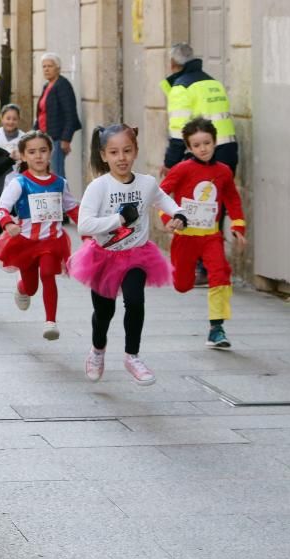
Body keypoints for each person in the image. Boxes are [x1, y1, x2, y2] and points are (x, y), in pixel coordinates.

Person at [67, 124, 182, 386]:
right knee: (104, 312)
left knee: (135, 301)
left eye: (127, 151)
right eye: (114, 152)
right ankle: (97, 350)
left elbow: (163, 199)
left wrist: (179, 213)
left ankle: (132, 356)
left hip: (136, 255)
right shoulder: (98, 187)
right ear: (104, 155)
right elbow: (84, 225)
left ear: (136, 151)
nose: (122, 158)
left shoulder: (146, 183)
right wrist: (118, 219)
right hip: (103, 257)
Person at [160, 117, 246, 348]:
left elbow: (232, 199)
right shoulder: (182, 169)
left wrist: (238, 227)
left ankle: (216, 328)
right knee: (182, 285)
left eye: (207, 143)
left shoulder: (224, 171)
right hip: (186, 237)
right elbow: (160, 195)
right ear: (189, 147)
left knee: (220, 275)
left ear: (215, 142)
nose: (203, 149)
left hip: (211, 236)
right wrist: (169, 219)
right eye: (197, 145)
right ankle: (177, 273)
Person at [0, 131, 79, 340]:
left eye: (43, 151)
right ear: (23, 156)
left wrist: (89, 225)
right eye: (32, 152)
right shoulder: (19, 183)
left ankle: (51, 322)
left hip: (52, 240)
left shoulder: (60, 183)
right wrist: (8, 223)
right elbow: (2, 208)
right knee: (31, 288)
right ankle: (22, 288)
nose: (38, 156)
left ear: (50, 153)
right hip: (27, 241)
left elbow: (72, 207)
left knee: (48, 273)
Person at [160, 43, 238, 175]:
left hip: (202, 158)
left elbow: (178, 133)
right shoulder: (214, 83)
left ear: (172, 63)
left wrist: (170, 163)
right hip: (228, 153)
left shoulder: (181, 89)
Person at [34, 53, 81, 180]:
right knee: (47, 173)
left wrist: (66, 139)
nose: (46, 69)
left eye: (50, 66)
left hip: (57, 138)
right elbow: (41, 113)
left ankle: (63, 199)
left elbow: (70, 113)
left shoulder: (63, 85)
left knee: (57, 174)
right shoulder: (47, 86)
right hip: (45, 137)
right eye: (44, 66)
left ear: (58, 68)